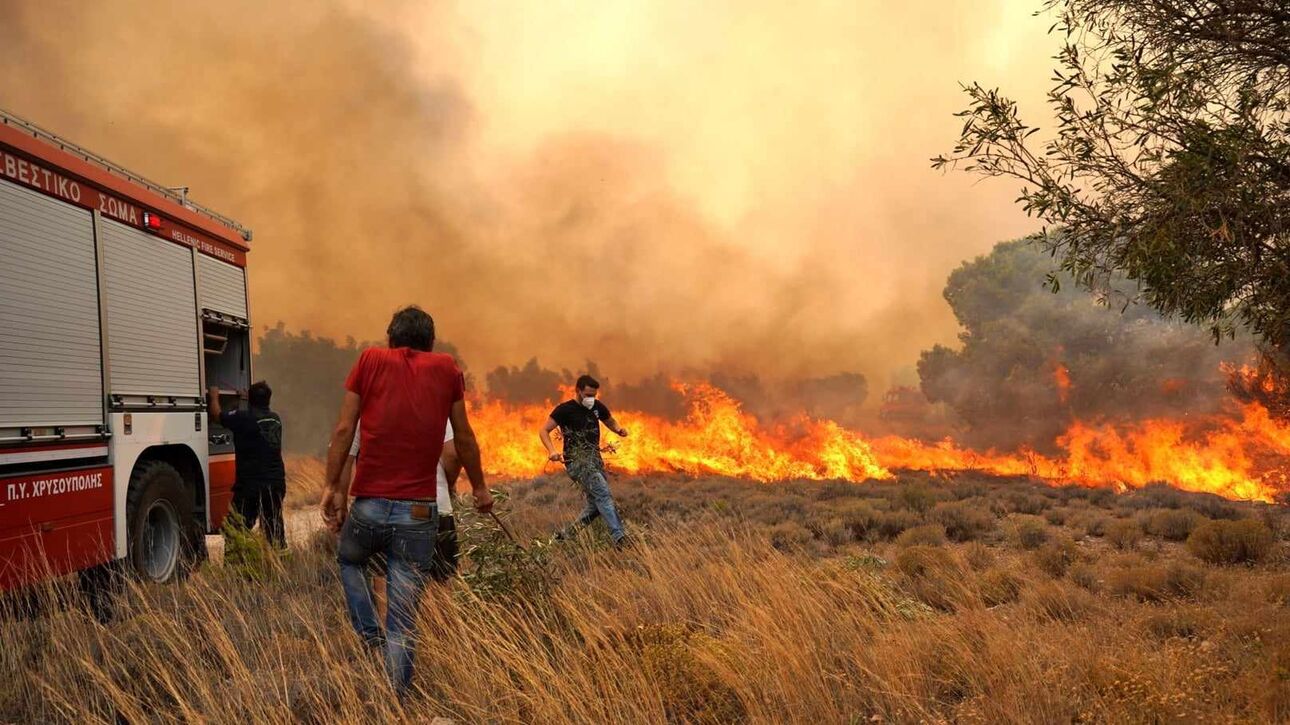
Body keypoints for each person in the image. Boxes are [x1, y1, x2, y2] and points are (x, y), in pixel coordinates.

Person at [321, 305, 491, 696]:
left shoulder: (369, 360)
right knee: (403, 619)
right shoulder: (447, 369)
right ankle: (397, 701)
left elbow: (346, 428)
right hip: (419, 510)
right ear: (430, 344)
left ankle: (369, 637)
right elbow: (462, 439)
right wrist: (480, 488)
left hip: (370, 506)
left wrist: (333, 486)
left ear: (390, 338)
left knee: (350, 559)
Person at [339, 418, 462, 622]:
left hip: (380, 507)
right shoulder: (436, 406)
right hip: (433, 504)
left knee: (383, 576)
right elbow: (452, 455)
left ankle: (384, 644)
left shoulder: (367, 412)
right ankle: (444, 640)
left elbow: (344, 453)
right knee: (441, 577)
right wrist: (447, 485)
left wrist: (339, 498)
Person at [539, 375, 630, 545]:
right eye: (587, 394)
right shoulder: (565, 410)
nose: (591, 398)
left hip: (595, 460)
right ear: (578, 391)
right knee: (603, 495)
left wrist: (619, 430)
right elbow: (544, 430)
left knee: (595, 506)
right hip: (577, 462)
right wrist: (552, 451)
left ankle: (566, 536)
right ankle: (619, 538)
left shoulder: (596, 407)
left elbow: (609, 420)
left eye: (593, 395)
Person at [209, 381, 286, 548]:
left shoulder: (243, 418)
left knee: (234, 530)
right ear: (268, 400)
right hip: (276, 484)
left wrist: (214, 396)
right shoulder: (275, 419)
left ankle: (235, 567)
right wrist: (248, 399)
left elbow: (217, 415)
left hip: (251, 487)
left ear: (250, 400)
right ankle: (280, 564)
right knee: (274, 529)